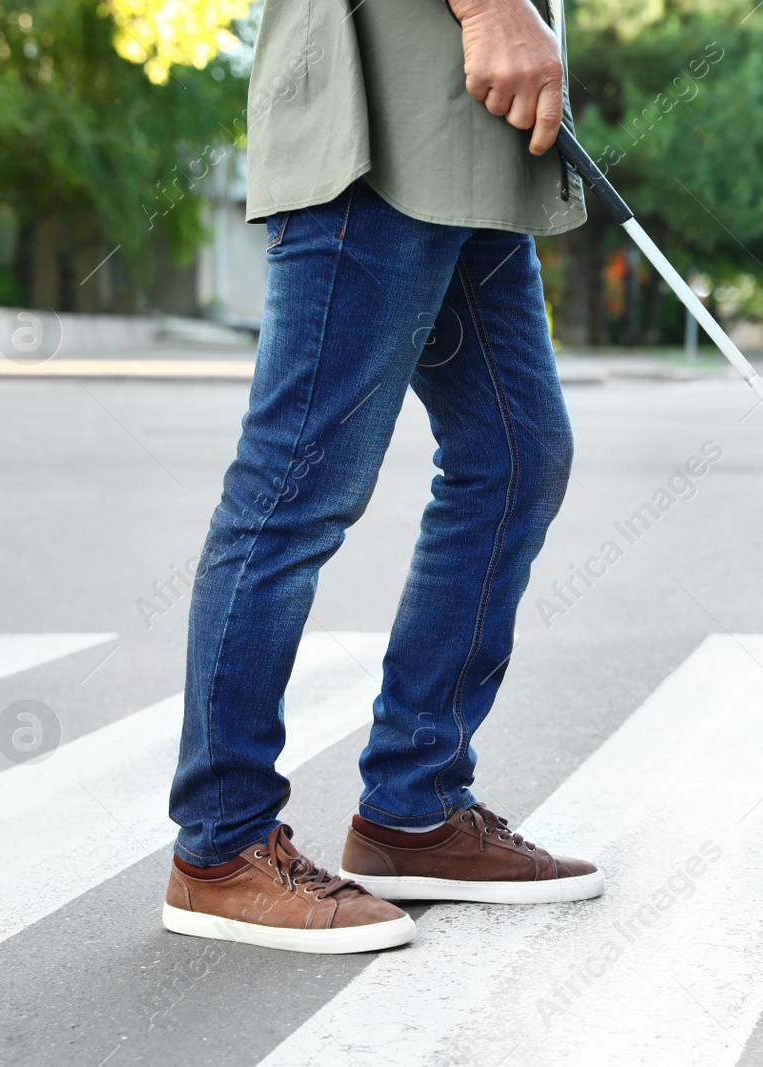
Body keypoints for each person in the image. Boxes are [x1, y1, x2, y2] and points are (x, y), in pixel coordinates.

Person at [161, 0, 602, 953]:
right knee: (296, 485)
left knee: (518, 456)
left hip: (473, 147)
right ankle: (220, 847)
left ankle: (415, 809)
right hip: (378, 126)